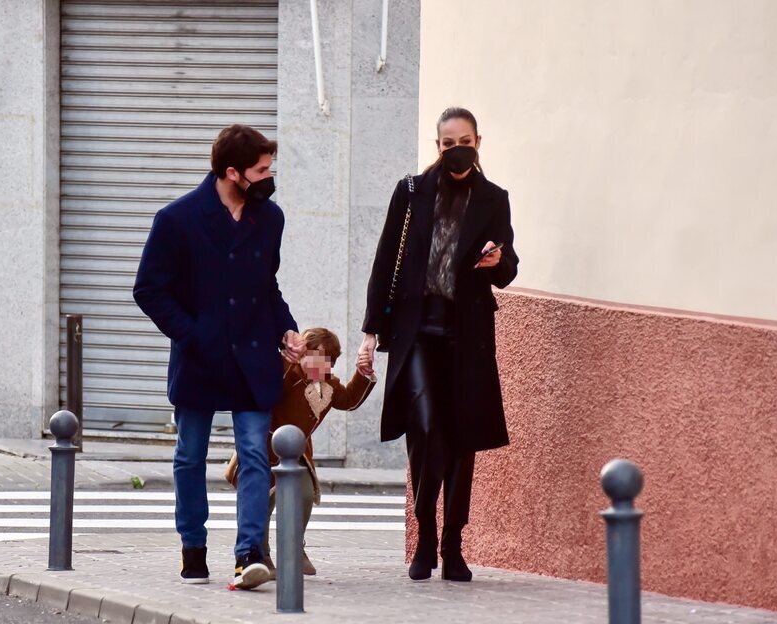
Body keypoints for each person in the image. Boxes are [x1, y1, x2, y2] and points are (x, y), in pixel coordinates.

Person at [133, 124, 306, 591]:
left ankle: (248, 552)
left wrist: (285, 328)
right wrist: (192, 334)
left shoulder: (270, 219)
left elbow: (266, 286)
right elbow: (148, 289)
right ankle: (193, 547)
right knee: (190, 456)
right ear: (233, 172)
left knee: (254, 452)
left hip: (253, 358)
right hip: (200, 358)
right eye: (261, 169)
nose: (269, 177)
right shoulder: (177, 219)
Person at [357, 107, 519, 582]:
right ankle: (424, 535)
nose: (457, 149)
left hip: (466, 334)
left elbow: (508, 267)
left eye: (464, 141)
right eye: (448, 143)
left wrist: (498, 262)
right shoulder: (412, 192)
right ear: (438, 147)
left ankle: (453, 545)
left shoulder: (494, 199)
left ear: (478, 142)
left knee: (461, 439)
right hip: (417, 332)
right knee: (426, 429)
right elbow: (385, 259)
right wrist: (370, 334)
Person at [225, 327, 376, 578]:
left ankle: (294, 546)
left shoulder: (328, 385)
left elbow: (349, 399)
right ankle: (259, 553)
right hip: (265, 447)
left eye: (329, 361)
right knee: (261, 502)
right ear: (303, 354)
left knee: (305, 495)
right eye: (315, 357)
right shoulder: (288, 373)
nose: (322, 365)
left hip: (298, 453)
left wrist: (363, 373)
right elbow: (269, 388)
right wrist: (288, 360)